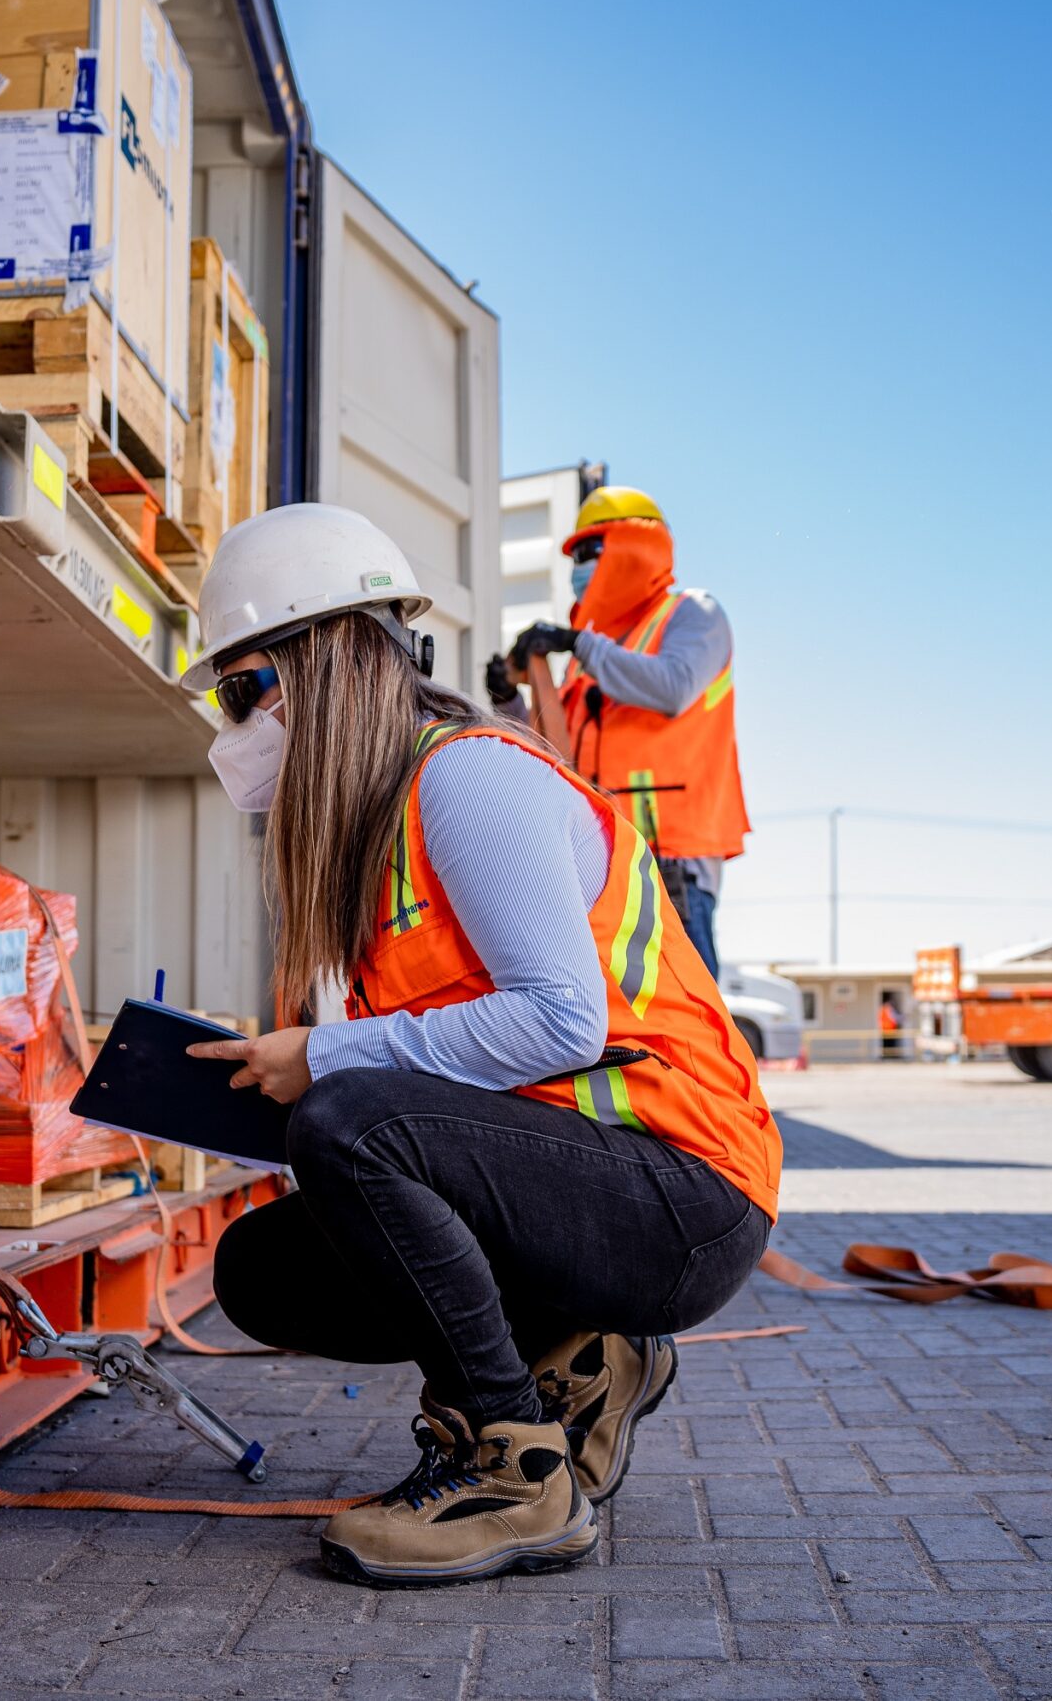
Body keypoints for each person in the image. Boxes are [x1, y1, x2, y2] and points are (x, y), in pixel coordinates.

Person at [178, 504, 782, 1588]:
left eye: (240, 688)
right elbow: (441, 1088)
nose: (232, 723)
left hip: (682, 1192)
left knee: (346, 1114)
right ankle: (578, 1356)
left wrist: (324, 1061)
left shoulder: (464, 779)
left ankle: (512, 1467)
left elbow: (561, 1023)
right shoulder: (376, 833)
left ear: (317, 664)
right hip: (585, 1182)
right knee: (262, 1270)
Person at [503, 487, 749, 978]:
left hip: (670, 861)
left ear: (634, 546)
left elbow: (675, 686)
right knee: (618, 1031)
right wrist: (507, 697)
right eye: (574, 557)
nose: (579, 568)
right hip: (600, 864)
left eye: (590, 552)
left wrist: (578, 642)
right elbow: (555, 754)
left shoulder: (692, 614)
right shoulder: (591, 653)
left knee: (687, 1031)